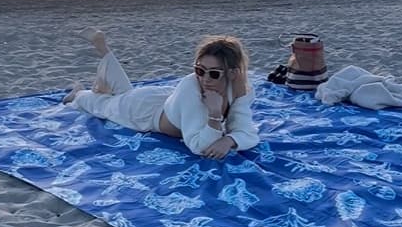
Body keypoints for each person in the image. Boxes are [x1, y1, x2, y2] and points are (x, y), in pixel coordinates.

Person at [63, 29, 259, 160]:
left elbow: (248, 132)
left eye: (214, 73)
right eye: (199, 70)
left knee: (122, 94)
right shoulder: (191, 86)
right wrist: (214, 115)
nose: (204, 79)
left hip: (165, 100)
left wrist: (229, 140)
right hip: (145, 111)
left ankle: (103, 49)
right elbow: (199, 146)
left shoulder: (241, 90)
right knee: (105, 105)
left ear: (233, 73)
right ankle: (79, 93)